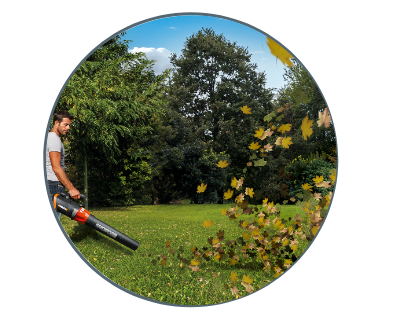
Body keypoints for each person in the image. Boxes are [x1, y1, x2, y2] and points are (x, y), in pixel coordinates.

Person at [46, 110, 80, 220]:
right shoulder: (54, 139)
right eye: (65, 125)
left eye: (69, 125)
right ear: (56, 123)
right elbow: (56, 167)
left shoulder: (51, 138)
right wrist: (71, 188)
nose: (68, 128)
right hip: (53, 185)